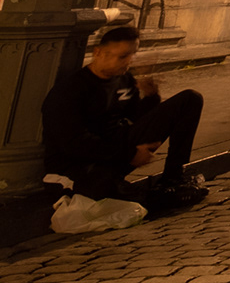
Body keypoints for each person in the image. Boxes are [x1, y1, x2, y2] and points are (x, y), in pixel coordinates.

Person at [40, 26, 207, 209]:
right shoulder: (72, 89)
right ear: (99, 53)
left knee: (190, 99)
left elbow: (136, 117)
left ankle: (173, 178)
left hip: (118, 148)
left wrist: (151, 97)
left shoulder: (123, 79)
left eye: (132, 54)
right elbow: (74, 143)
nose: (128, 61)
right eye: (122, 56)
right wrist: (129, 154)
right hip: (85, 161)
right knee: (105, 190)